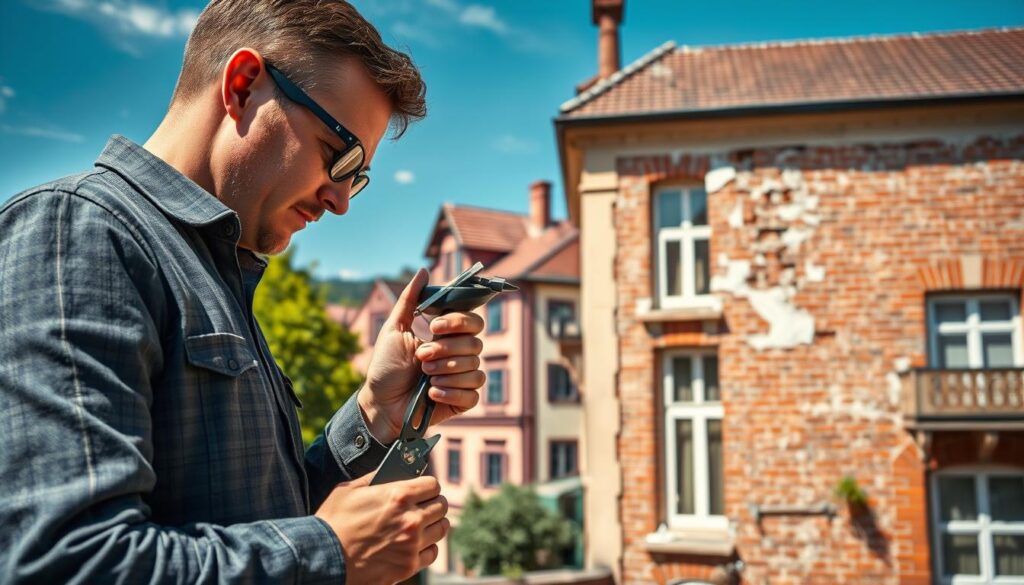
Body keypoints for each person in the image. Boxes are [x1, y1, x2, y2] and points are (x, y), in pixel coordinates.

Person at [0, 1, 486, 583]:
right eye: (339, 156)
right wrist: (330, 553)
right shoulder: (74, 233)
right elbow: (69, 561)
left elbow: (267, 517)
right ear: (242, 84)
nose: (341, 200)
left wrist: (377, 412)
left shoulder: (210, 267)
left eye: (357, 175)